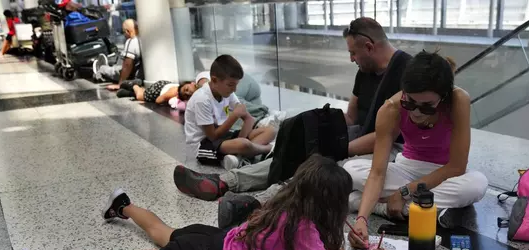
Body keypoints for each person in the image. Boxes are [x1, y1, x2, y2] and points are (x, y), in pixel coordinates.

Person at [11, 155, 388, 250]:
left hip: (210, 236)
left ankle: (123, 205)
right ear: (330, 204)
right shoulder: (305, 229)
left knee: (160, 230)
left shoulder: (287, 206)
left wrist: (338, 241)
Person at [174, 17, 412, 202]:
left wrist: (336, 148)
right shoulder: (364, 71)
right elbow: (350, 117)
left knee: (320, 161)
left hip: (388, 148)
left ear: (369, 47)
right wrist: (314, 126)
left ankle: (265, 199)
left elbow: (388, 137)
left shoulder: (406, 73)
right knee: (298, 146)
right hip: (359, 135)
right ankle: (225, 181)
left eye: (353, 53)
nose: (351, 59)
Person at [346, 51, 488, 249]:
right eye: (409, 102)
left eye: (427, 106)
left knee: (477, 185)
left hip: (445, 173)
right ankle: (428, 209)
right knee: (352, 169)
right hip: (408, 168)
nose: (416, 112)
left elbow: (456, 166)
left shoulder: (459, 100)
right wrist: (361, 220)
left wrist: (403, 192)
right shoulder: (391, 109)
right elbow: (378, 172)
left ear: (444, 97)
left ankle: (374, 205)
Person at [185, 54, 276, 171]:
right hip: (202, 146)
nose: (234, 89)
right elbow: (212, 136)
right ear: (214, 80)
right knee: (243, 145)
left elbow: (249, 119)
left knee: (270, 130)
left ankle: (237, 158)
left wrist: (241, 138)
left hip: (224, 137)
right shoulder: (202, 99)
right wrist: (234, 116)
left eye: (236, 85)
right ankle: (269, 149)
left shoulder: (228, 93)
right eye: (230, 85)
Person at [93, 19, 140, 90]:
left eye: (124, 32)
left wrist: (120, 84)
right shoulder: (142, 38)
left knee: (110, 69)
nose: (124, 35)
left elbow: (127, 65)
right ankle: (111, 63)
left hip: (132, 75)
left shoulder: (132, 41)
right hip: (138, 71)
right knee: (120, 58)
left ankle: (100, 69)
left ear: (128, 32)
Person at [117, 71, 210, 103]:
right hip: (157, 91)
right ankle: (134, 85)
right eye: (186, 90)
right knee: (140, 96)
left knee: (144, 92)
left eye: (187, 96)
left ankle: (131, 91)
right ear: (192, 83)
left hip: (163, 85)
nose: (187, 93)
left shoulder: (197, 88)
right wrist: (170, 98)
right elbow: (158, 100)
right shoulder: (174, 92)